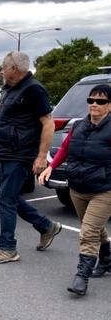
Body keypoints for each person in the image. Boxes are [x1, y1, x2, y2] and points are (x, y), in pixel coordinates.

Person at [0, 51, 61, 264]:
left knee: (7, 200)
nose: (1, 70)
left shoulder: (34, 90)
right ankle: (47, 226)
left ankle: (8, 248)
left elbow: (48, 123)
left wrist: (41, 156)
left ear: (15, 69)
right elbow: (5, 121)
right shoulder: (9, 89)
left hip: (21, 154)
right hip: (6, 152)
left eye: (3, 66)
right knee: (10, 197)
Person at [38, 84, 111, 295]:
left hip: (104, 189)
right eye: (91, 100)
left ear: (109, 105)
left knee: (88, 232)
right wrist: (50, 167)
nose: (94, 105)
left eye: (101, 101)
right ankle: (106, 259)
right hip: (77, 187)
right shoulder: (79, 125)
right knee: (93, 226)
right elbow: (65, 148)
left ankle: (82, 276)